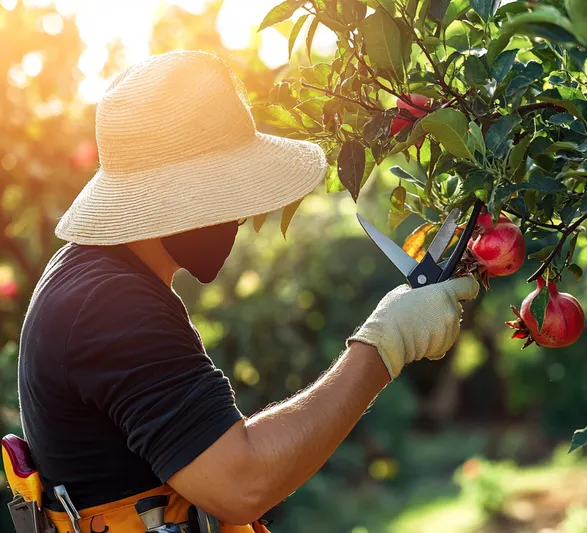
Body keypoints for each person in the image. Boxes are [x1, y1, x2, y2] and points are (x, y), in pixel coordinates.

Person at [12, 49, 479, 533]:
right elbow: (242, 483)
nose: (239, 215)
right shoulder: (110, 307)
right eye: (224, 193)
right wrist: (386, 344)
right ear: (172, 196)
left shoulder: (91, 278)